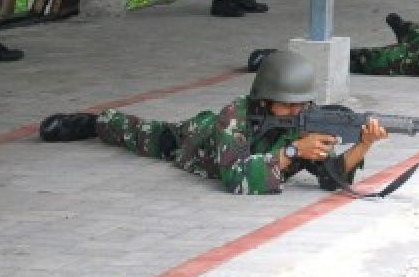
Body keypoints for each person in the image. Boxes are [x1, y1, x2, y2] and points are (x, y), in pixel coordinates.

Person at [37, 50, 388, 195]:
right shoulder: (234, 114)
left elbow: (332, 180)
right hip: (196, 141)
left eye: (301, 105)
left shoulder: (306, 120)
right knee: (146, 134)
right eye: (286, 105)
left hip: (240, 149)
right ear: (264, 100)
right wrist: (294, 151)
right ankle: (95, 122)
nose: (296, 113)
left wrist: (364, 144)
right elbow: (235, 178)